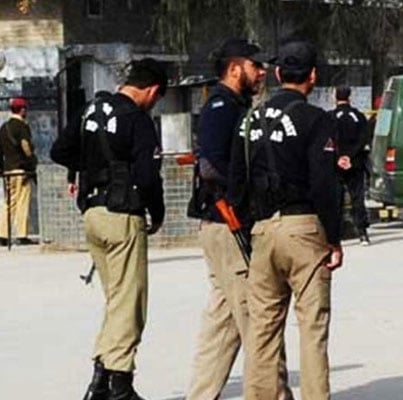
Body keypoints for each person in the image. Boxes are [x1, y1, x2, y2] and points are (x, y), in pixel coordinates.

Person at [228, 39, 343, 400]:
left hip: (262, 229)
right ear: (313, 76)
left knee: (262, 328)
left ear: (277, 74)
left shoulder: (249, 120)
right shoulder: (314, 119)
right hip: (304, 226)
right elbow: (325, 183)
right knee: (312, 326)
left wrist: (251, 227)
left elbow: (235, 187)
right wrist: (334, 238)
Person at [51, 58, 168, 400]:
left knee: (116, 299)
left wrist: (86, 167)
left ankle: (100, 383)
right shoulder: (137, 119)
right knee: (130, 302)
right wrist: (156, 213)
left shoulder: (91, 109)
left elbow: (60, 150)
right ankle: (120, 385)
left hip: (93, 215)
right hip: (123, 217)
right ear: (152, 90)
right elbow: (147, 176)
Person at [184, 37, 293, 400]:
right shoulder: (222, 106)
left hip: (223, 224)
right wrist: (246, 196)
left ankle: (201, 394)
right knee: (259, 319)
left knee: (224, 321)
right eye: (255, 65)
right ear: (235, 68)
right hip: (228, 222)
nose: (261, 72)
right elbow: (212, 165)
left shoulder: (236, 104)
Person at [330, 85, 371, 245]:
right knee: (357, 197)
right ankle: (362, 233)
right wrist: (350, 156)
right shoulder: (359, 116)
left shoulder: (330, 117)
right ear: (350, 97)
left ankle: (336, 235)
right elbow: (363, 140)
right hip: (356, 163)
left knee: (336, 199)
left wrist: (340, 157)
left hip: (336, 164)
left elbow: (330, 140)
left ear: (335, 97)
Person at [0, 97, 38, 246]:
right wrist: (32, 162)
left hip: (8, 170)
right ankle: (22, 234)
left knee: (9, 203)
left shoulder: (4, 128)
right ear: (22, 110)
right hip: (21, 169)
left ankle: (2, 234)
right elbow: (25, 146)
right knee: (23, 202)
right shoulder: (21, 126)